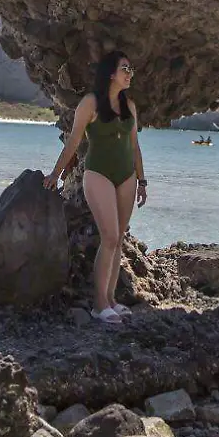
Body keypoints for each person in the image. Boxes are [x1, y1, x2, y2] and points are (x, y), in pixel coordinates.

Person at [45, 51, 146, 325]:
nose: (129, 73)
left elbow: (134, 146)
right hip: (98, 174)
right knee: (110, 236)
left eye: (131, 69)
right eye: (125, 68)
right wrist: (56, 173)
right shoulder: (90, 103)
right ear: (110, 73)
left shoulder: (129, 106)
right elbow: (74, 141)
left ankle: (111, 300)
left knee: (118, 238)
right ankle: (99, 305)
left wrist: (142, 180)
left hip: (127, 176)